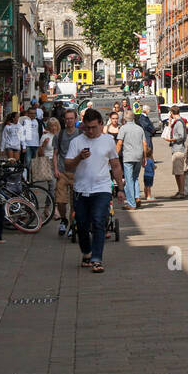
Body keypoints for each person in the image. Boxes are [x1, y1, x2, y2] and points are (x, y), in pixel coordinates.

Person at [65, 108, 124, 274]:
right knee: (82, 225)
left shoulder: (108, 141)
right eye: (87, 128)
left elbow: (115, 165)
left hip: (102, 188)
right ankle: (87, 252)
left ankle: (97, 259)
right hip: (81, 189)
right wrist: (79, 158)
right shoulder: (76, 142)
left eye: (93, 127)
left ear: (100, 124)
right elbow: (68, 166)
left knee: (99, 221)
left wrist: (120, 188)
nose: (90, 131)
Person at [54, 107, 80, 236]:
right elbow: (55, 153)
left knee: (75, 202)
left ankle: (72, 225)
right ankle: (63, 220)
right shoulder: (59, 135)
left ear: (75, 120)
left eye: (71, 119)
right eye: (67, 119)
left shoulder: (81, 134)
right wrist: (55, 168)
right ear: (64, 120)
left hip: (77, 173)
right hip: (63, 172)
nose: (69, 121)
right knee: (61, 201)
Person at [117, 110, 148, 209]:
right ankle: (137, 197)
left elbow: (119, 143)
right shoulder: (139, 128)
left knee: (129, 180)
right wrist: (145, 156)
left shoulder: (123, 128)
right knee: (135, 178)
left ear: (125, 119)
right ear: (133, 117)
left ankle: (131, 203)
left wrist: (114, 155)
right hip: (138, 156)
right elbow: (144, 144)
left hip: (128, 156)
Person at [32, 116, 59, 185]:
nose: (53, 128)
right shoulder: (45, 136)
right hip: (48, 161)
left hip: (59, 162)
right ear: (49, 127)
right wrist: (44, 144)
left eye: (55, 125)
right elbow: (39, 153)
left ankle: (50, 196)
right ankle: (51, 195)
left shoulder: (60, 135)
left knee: (59, 185)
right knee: (52, 184)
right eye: (51, 126)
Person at [169, 110, 188, 198]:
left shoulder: (179, 123)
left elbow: (181, 136)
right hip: (175, 149)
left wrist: (172, 139)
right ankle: (179, 190)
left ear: (172, 113)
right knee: (176, 172)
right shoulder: (176, 122)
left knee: (179, 172)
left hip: (179, 149)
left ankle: (182, 192)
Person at [19, 104, 41, 173]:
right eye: (31, 113)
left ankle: (32, 178)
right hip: (27, 145)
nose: (33, 115)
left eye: (34, 113)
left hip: (36, 145)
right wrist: (23, 146)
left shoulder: (38, 122)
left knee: (34, 164)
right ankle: (27, 178)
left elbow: (42, 131)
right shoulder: (24, 122)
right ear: (28, 114)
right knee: (28, 163)